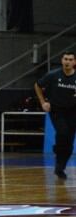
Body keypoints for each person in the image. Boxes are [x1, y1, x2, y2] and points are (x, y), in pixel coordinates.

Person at [35, 51, 76, 180]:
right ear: (62, 60)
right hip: (57, 110)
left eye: (70, 59)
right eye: (65, 59)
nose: (67, 62)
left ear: (74, 62)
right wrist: (43, 102)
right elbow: (38, 85)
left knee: (69, 141)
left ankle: (60, 167)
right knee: (63, 132)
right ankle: (57, 149)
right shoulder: (53, 75)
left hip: (73, 111)